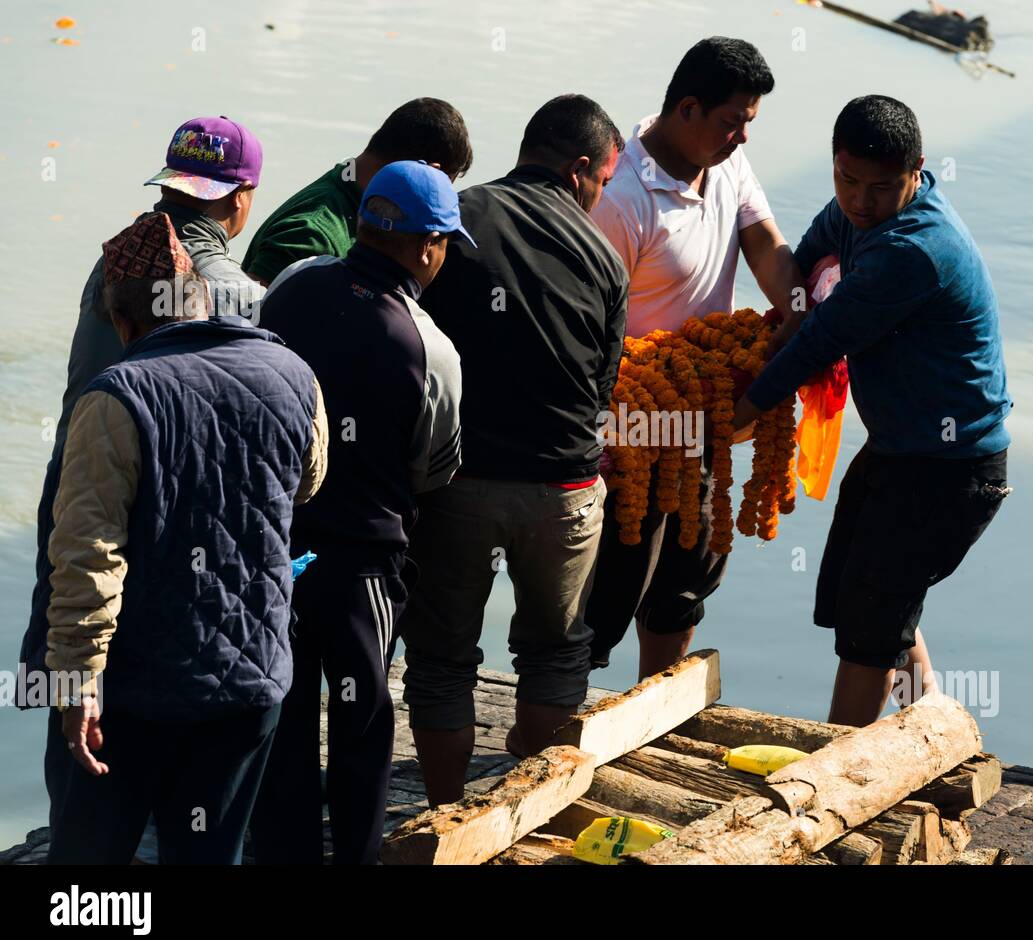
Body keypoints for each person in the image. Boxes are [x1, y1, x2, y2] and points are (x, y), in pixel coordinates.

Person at [44, 212, 328, 864]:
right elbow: (308, 481)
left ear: (121, 323)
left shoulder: (114, 398)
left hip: (139, 692)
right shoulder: (292, 373)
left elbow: (89, 554)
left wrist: (77, 682)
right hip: (250, 679)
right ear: (200, 296)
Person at [18, 115, 268, 839]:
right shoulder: (238, 295)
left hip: (74, 489)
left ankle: (78, 841)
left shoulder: (115, 260)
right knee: (154, 702)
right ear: (240, 198)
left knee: (70, 682)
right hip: (159, 519)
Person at [731, 95, 1013, 726]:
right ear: (838, 165)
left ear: (916, 171)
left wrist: (742, 411)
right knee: (874, 604)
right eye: (846, 180)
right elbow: (812, 259)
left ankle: (830, 775)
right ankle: (929, 731)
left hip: (952, 468)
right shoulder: (856, 210)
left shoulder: (912, 250)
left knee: (868, 630)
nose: (859, 202)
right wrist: (786, 311)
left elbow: (823, 339)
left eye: (880, 188)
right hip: (897, 448)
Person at [405, 94, 627, 803]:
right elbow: (602, 389)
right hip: (563, 488)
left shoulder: (457, 218)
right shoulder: (606, 259)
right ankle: (534, 806)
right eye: (604, 183)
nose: (600, 198)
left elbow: (415, 342)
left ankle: (441, 814)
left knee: (441, 660)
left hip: (460, 482)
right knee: (558, 653)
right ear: (581, 169)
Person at [251, 161, 467, 864]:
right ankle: (354, 855)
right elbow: (434, 465)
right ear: (427, 246)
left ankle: (282, 854)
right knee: (362, 719)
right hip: (363, 562)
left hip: (273, 545)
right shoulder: (428, 345)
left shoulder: (289, 287)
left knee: (281, 714)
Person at [584, 36, 804, 680]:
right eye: (732, 121)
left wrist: (801, 315)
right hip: (636, 418)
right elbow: (595, 327)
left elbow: (765, 243)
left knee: (689, 570)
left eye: (749, 124)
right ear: (687, 110)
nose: (741, 137)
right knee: (616, 576)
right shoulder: (622, 196)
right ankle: (551, 723)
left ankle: (656, 709)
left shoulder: (729, 164)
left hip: (706, 407)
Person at [242, 98, 473, 285]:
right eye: (445, 187)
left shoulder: (351, 193)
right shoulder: (313, 234)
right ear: (430, 172)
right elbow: (247, 324)